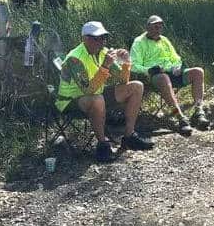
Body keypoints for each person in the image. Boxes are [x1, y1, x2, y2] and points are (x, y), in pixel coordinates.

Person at [56, 21, 154, 162]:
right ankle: (103, 144)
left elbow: (123, 82)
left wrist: (126, 63)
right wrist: (105, 66)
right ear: (85, 39)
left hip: (96, 94)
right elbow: (88, 90)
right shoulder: (74, 59)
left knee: (136, 86)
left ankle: (129, 136)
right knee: (97, 99)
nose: (101, 42)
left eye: (103, 37)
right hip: (70, 100)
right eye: (97, 38)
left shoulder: (103, 52)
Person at [130, 15, 210, 135]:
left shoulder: (164, 40)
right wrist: (150, 69)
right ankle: (180, 118)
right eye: (155, 26)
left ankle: (199, 111)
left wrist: (177, 66)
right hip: (154, 75)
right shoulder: (139, 42)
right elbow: (134, 65)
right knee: (163, 78)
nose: (158, 29)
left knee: (198, 72)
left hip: (172, 72)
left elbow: (176, 58)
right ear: (148, 27)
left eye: (160, 26)